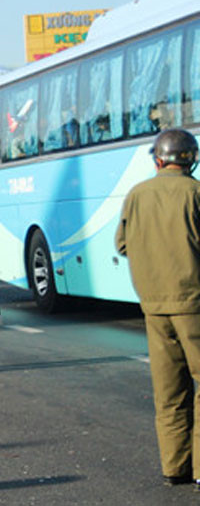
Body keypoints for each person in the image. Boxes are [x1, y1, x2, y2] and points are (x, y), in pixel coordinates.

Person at [116, 129, 200, 489]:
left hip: (153, 306)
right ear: (191, 159)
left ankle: (175, 466)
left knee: (169, 391)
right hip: (193, 303)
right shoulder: (195, 193)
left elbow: (122, 245)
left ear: (159, 159)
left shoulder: (137, 194)